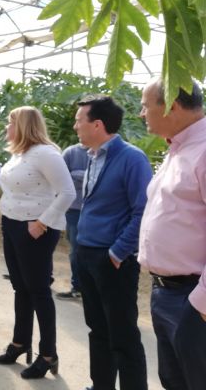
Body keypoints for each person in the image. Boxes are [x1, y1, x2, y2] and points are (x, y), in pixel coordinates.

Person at [74, 95, 152, 390]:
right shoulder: (92, 156)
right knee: (98, 329)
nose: (75, 125)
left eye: (80, 120)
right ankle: (101, 385)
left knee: (123, 336)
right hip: (87, 254)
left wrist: (118, 251)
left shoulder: (131, 158)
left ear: (97, 124)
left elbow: (143, 210)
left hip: (112, 260)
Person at [0, 106, 75, 378]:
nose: (7, 127)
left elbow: (67, 192)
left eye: (11, 122)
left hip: (35, 229)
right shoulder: (19, 153)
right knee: (21, 288)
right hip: (12, 224)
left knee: (39, 290)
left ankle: (48, 354)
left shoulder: (45, 153)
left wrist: (43, 222)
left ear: (24, 125)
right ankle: (20, 343)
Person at [138, 79, 206, 390]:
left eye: (145, 105)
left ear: (170, 106)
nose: (141, 113)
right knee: (174, 380)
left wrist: (200, 305)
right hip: (166, 292)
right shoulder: (178, 148)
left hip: (192, 297)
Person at [55, 143, 89, 301]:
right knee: (75, 249)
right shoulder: (70, 152)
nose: (76, 127)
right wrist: (88, 176)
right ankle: (77, 287)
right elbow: (60, 178)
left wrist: (77, 175)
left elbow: (101, 177)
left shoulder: (104, 151)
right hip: (74, 209)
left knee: (92, 250)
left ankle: (90, 289)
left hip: (94, 209)